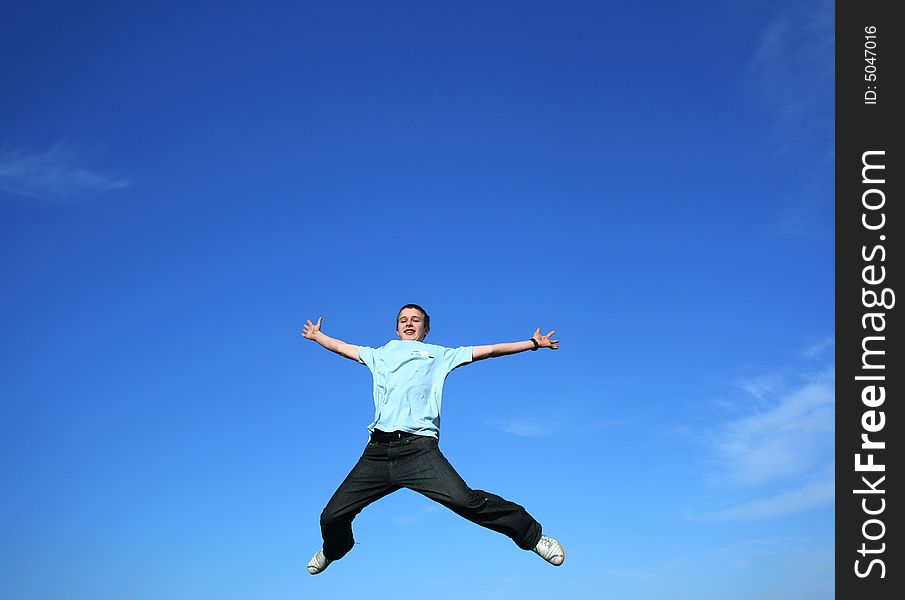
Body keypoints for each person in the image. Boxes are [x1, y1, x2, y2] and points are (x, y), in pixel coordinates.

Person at [301, 303, 565, 574]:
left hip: (419, 451)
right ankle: (336, 549)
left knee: (465, 501)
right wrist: (318, 336)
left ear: (426, 329)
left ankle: (532, 537)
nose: (409, 323)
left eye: (416, 320)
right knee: (332, 516)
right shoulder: (379, 354)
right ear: (396, 327)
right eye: (403, 320)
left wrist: (532, 343)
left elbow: (489, 350)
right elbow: (342, 348)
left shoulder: (439, 355)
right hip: (377, 454)